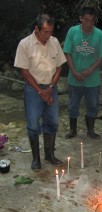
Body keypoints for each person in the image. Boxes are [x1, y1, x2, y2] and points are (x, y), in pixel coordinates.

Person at [14, 14, 67, 171]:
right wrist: (40, 91)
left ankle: (49, 155)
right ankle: (36, 159)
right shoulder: (25, 44)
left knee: (52, 122)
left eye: (50, 31)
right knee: (33, 125)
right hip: (33, 89)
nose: (48, 35)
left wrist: (50, 88)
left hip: (51, 87)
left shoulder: (54, 42)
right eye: (45, 31)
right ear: (36, 29)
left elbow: (59, 67)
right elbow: (24, 71)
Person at [63, 6, 102, 139]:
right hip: (74, 77)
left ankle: (91, 130)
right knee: (73, 105)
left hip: (92, 79)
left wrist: (90, 70)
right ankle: (73, 130)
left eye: (92, 21)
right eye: (86, 20)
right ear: (81, 19)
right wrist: (74, 71)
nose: (89, 24)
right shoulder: (72, 31)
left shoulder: (99, 34)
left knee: (93, 105)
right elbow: (68, 52)